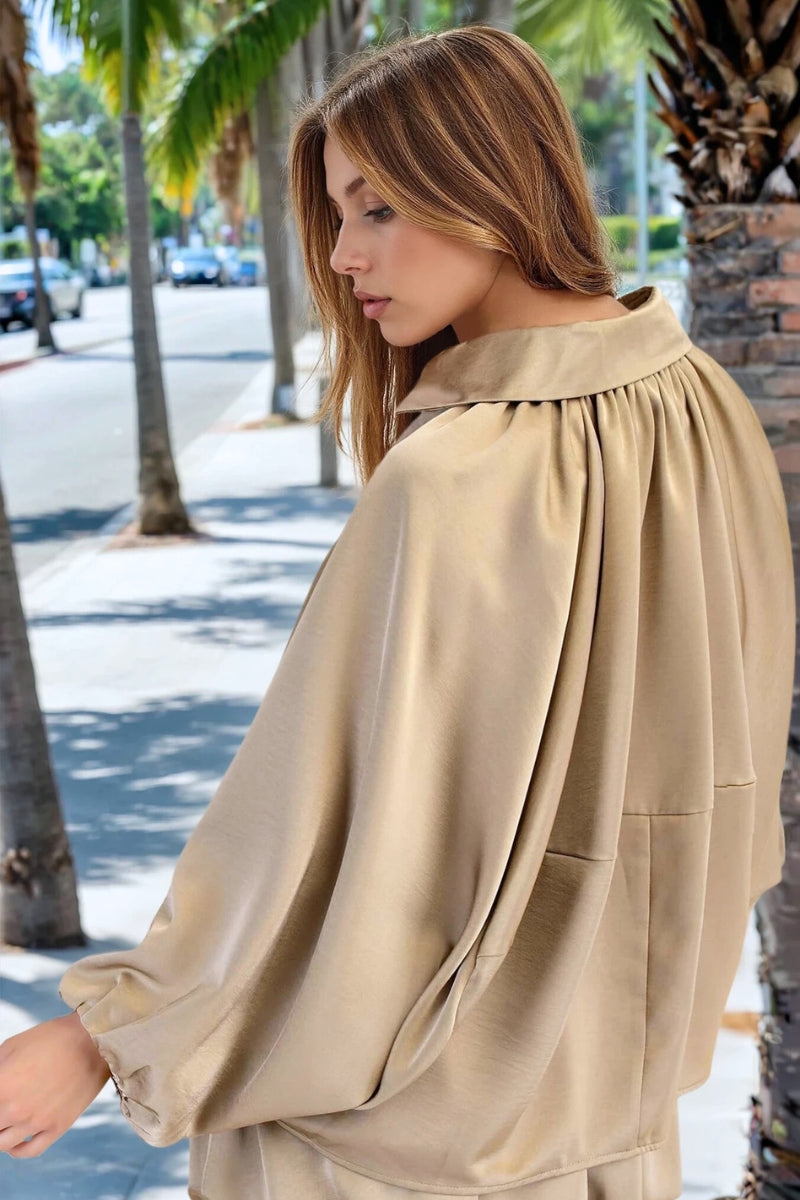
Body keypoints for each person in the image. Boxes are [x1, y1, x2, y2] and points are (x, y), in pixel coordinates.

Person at [0, 23, 794, 1200]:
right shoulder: (700, 411)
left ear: (491, 181)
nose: (343, 253)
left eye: (377, 208)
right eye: (335, 212)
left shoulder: (454, 479)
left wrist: (104, 1036)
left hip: (394, 1131)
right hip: (599, 1119)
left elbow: (320, 838)